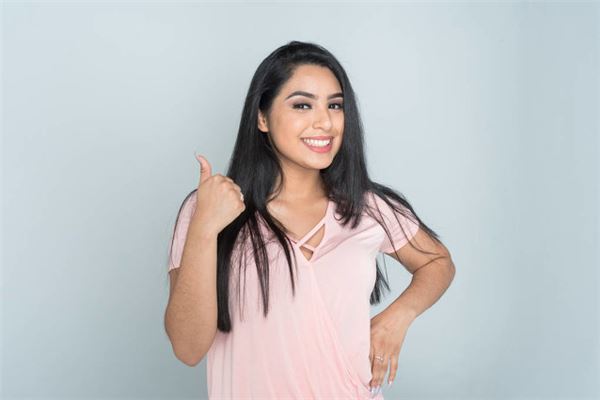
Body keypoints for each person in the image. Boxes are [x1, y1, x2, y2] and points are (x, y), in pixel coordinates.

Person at [164, 40, 455, 399]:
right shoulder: (207, 209)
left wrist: (396, 319)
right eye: (302, 105)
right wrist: (205, 229)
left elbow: (438, 262)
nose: (325, 122)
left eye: (335, 105)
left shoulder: (367, 206)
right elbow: (187, 348)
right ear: (262, 117)